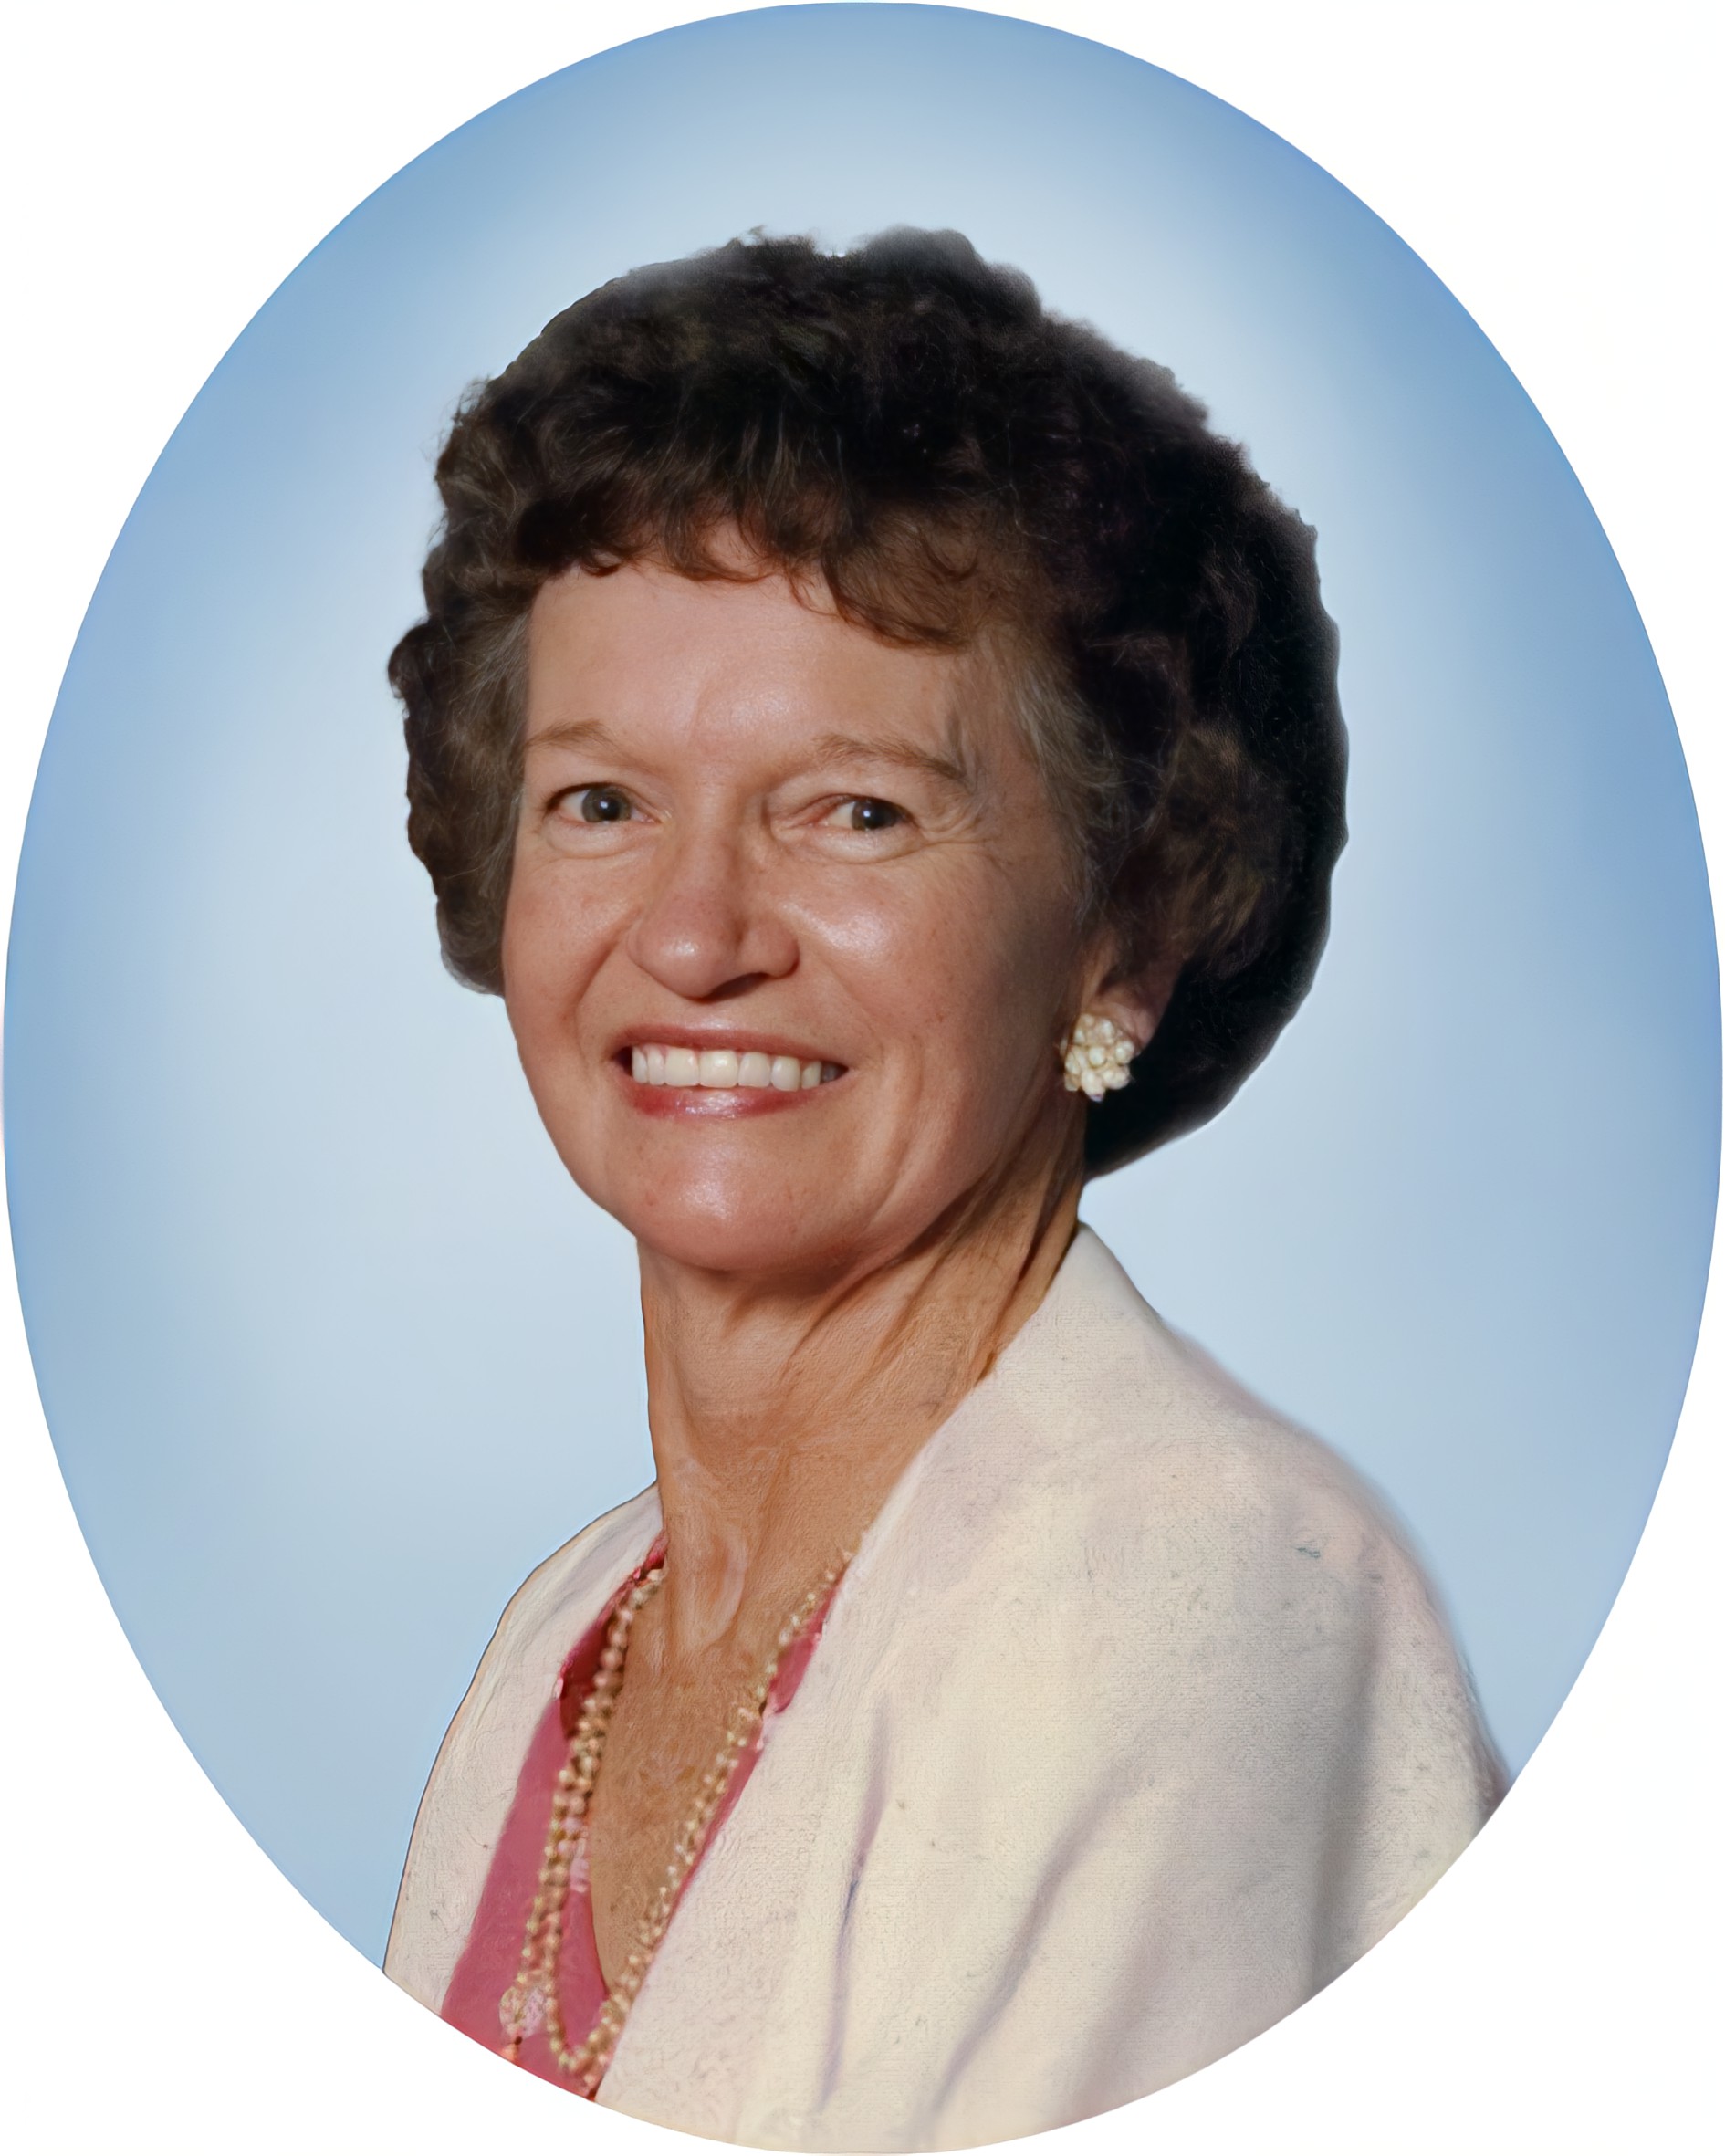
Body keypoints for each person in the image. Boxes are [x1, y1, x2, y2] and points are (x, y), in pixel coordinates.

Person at [382, 229, 1502, 2150]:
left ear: (1123, 935)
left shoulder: (1185, 1589)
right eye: (601, 802)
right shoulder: (569, 1640)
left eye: (856, 809)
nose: (697, 934)